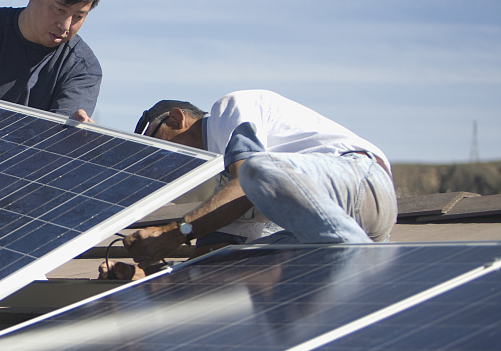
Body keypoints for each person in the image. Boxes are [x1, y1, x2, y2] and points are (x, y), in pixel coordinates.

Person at [123, 90, 398, 272]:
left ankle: (354, 258)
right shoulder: (225, 185)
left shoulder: (228, 109)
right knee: (244, 269)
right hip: (344, 227)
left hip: (362, 180)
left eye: (155, 144)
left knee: (256, 169)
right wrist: (149, 274)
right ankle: (355, 265)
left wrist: (174, 231)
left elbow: (246, 181)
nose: (160, 159)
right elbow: (209, 258)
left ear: (176, 118)